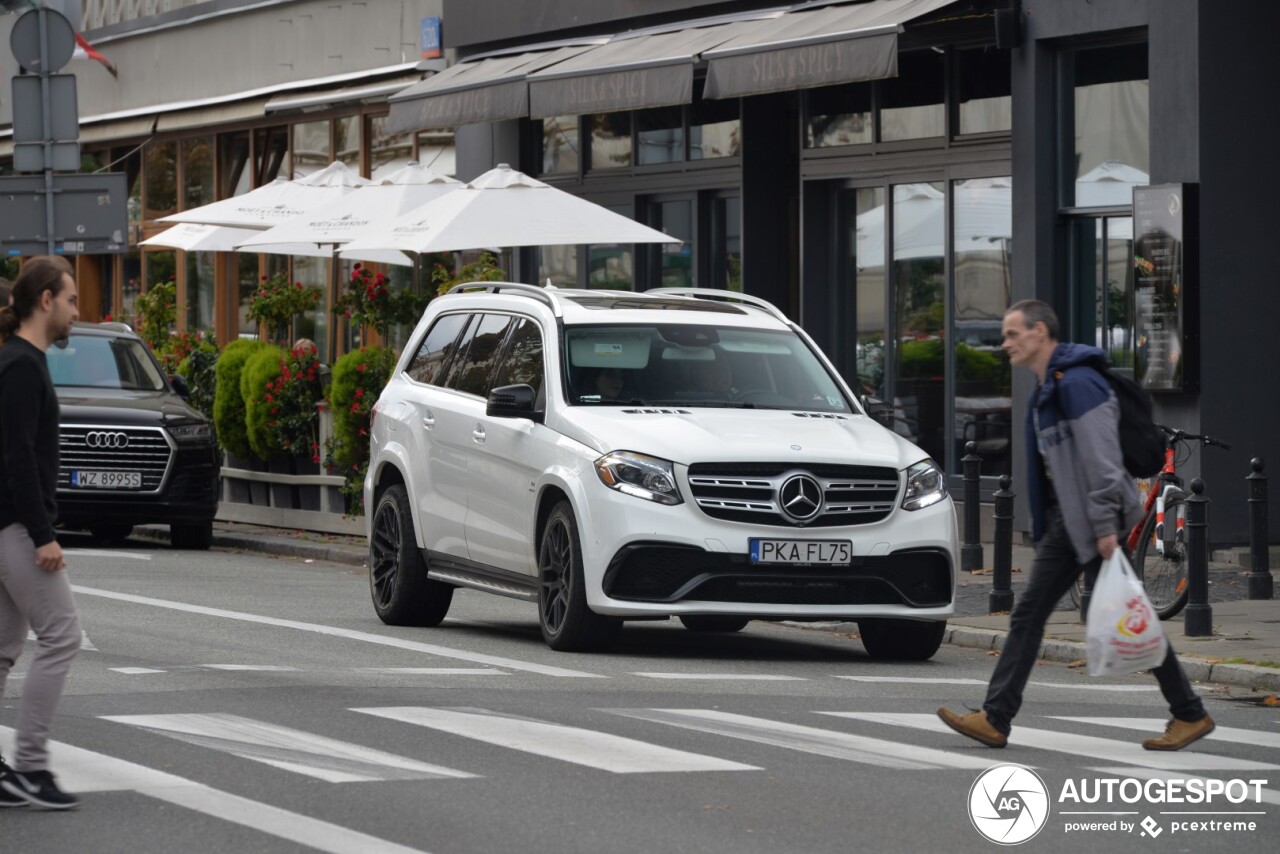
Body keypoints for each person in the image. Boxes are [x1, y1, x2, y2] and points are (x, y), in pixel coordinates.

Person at [937, 299, 1213, 752]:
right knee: (1121, 612)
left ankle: (996, 717)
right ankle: (1189, 712)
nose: (1005, 343)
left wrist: (1104, 527)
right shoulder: (1052, 383)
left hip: (1089, 520)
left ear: (1040, 332)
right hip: (1079, 520)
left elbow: (1102, 462)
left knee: (1033, 615)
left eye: (1012, 334)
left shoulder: (1077, 383)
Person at [0, 256, 83, 810]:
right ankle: (31, 767)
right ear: (46, 300)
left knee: (4, 649)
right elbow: (17, 459)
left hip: (6, 525)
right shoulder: (22, 366)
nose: (78, 311)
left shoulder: (18, 362)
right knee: (62, 636)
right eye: (72, 300)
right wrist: (43, 533)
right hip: (16, 528)